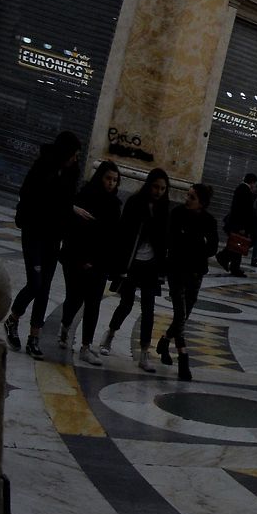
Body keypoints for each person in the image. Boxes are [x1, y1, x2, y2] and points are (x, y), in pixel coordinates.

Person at [4, 132, 83, 355]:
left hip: (53, 237)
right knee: (35, 283)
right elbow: (27, 193)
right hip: (34, 233)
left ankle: (34, 337)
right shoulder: (43, 167)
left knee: (45, 288)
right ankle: (13, 319)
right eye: (73, 154)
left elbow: (66, 204)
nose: (75, 158)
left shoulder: (71, 174)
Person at [102, 168, 175, 371]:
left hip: (151, 265)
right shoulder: (135, 203)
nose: (159, 191)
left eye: (163, 188)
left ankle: (144, 352)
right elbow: (123, 233)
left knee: (148, 310)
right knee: (125, 304)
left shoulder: (164, 208)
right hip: (132, 263)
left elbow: (165, 239)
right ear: (149, 185)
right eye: (156, 187)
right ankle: (110, 334)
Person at [56, 161, 121, 365]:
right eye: (108, 178)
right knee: (74, 299)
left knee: (93, 304)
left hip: (99, 263)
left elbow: (111, 238)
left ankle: (86, 346)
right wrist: (82, 259)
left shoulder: (114, 205)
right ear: (100, 177)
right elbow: (74, 231)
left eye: (115, 180)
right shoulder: (84, 196)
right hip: (76, 258)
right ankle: (65, 326)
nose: (111, 183)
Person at [157, 183, 216, 382]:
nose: (187, 199)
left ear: (202, 202)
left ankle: (165, 341)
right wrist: (197, 243)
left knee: (184, 315)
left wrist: (193, 242)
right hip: (176, 271)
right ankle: (183, 357)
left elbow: (212, 247)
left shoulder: (209, 221)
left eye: (192, 197)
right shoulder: (177, 213)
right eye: (187, 195)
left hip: (195, 274)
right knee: (180, 314)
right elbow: (171, 240)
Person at [220, 173, 257, 275]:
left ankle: (234, 267)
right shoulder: (244, 190)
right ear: (252, 182)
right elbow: (241, 210)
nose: (254, 185)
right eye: (254, 183)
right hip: (239, 225)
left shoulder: (243, 189)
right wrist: (242, 227)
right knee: (238, 245)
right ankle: (224, 257)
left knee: (238, 245)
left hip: (239, 224)